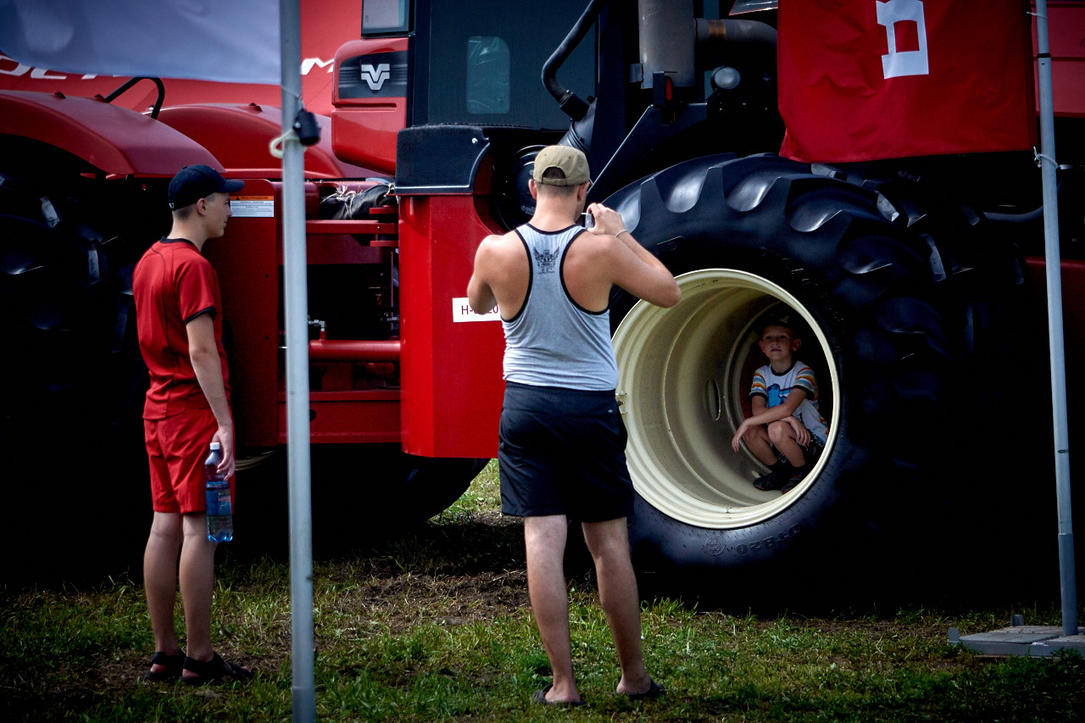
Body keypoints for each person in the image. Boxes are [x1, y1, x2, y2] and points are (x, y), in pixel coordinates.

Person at [467, 145, 680, 706]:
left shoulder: (494, 249)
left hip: (526, 407)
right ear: (584, 193)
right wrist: (621, 234)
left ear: (532, 188)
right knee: (608, 542)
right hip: (588, 409)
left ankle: (563, 684)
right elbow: (668, 291)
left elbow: (478, 304)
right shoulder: (601, 249)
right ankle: (633, 677)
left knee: (542, 539)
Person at [133, 164, 251, 685]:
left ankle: (165, 652)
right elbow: (201, 350)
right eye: (225, 200)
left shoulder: (148, 261)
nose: (230, 210)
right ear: (202, 205)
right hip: (193, 414)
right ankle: (200, 657)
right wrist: (224, 423)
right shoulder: (195, 267)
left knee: (163, 525)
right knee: (200, 529)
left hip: (157, 409)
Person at [730, 318, 828, 493]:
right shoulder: (762, 374)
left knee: (775, 428)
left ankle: (802, 471)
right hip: (784, 437)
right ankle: (781, 472)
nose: (774, 342)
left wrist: (748, 421)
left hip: (813, 439)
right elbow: (758, 411)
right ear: (761, 346)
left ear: (795, 345)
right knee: (752, 431)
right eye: (768, 338)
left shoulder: (804, 372)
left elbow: (788, 407)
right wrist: (790, 419)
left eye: (782, 337)